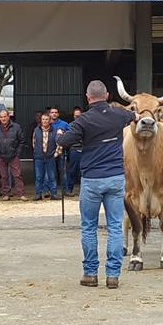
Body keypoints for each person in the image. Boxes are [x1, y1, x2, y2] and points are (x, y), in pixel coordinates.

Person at [57, 80, 138, 290]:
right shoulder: (118, 115)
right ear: (107, 95)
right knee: (114, 227)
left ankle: (90, 273)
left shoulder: (83, 120)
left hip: (92, 179)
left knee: (89, 226)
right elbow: (135, 116)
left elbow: (64, 141)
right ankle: (113, 276)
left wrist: (60, 136)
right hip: (115, 177)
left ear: (88, 97)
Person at [0, 109, 27, 201]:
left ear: (8, 117)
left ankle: (21, 194)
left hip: (13, 155)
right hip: (1, 155)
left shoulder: (16, 127)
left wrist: (18, 153)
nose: (3, 119)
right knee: (4, 176)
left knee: (17, 175)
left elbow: (21, 141)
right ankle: (5, 194)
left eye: (4, 117)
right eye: (1, 117)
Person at [32, 113, 58, 201]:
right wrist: (37, 152)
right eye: (43, 119)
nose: (45, 121)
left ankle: (54, 194)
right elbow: (34, 143)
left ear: (50, 120)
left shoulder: (55, 130)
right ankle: (38, 194)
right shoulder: (36, 130)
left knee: (52, 176)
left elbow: (58, 142)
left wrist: (56, 153)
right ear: (41, 120)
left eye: (47, 119)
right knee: (39, 176)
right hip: (39, 157)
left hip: (50, 156)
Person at [49, 107, 71, 195]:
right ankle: (51, 191)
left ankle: (65, 190)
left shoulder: (64, 124)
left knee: (63, 171)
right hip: (50, 151)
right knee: (50, 172)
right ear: (49, 114)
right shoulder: (47, 123)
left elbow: (71, 135)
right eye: (52, 112)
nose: (54, 114)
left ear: (58, 114)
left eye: (55, 112)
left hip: (61, 151)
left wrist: (63, 134)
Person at [66, 107, 83, 197]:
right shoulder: (71, 125)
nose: (77, 117)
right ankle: (69, 189)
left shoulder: (86, 124)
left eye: (79, 116)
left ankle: (83, 191)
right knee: (72, 170)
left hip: (84, 151)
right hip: (74, 150)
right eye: (76, 116)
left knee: (83, 172)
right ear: (73, 116)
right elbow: (71, 138)